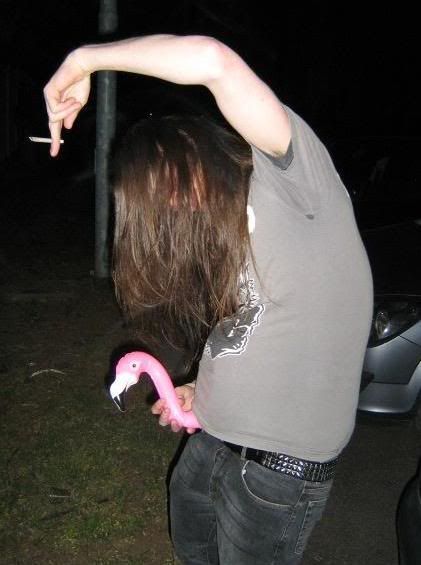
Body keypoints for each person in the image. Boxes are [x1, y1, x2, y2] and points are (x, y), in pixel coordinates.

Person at [44, 34, 373, 564]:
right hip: (210, 441)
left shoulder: (293, 181)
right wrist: (201, 389)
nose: (171, 203)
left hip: (278, 476)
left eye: (169, 179)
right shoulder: (219, 234)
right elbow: (259, 331)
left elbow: (213, 62)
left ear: (199, 152)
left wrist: (85, 60)